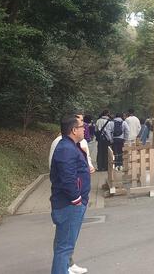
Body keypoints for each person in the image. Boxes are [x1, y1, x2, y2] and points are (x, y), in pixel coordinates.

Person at [50, 115, 90, 274]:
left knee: (66, 244)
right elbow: (67, 178)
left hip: (70, 203)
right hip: (69, 204)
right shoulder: (66, 149)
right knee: (64, 247)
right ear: (74, 130)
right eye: (82, 127)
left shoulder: (70, 146)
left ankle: (66, 268)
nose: (84, 129)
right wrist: (76, 199)